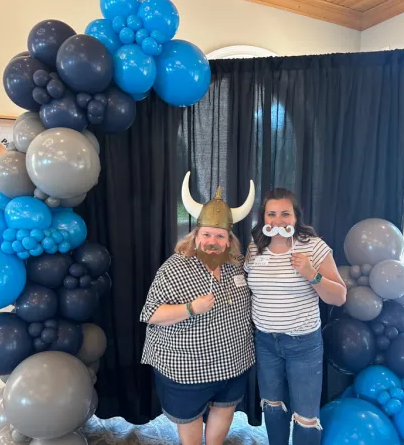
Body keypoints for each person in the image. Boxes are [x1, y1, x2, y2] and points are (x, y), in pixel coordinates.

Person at [140, 172, 256, 445]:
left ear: (228, 240)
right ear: (195, 236)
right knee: (189, 421)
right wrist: (191, 308)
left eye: (219, 235)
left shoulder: (236, 264)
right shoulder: (174, 267)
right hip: (187, 368)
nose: (212, 241)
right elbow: (152, 314)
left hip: (233, 363)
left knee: (224, 409)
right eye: (206, 234)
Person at [244, 188, 346, 445]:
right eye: (272, 214)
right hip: (265, 342)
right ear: (263, 218)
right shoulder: (255, 248)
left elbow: (339, 297)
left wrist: (312, 274)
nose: (278, 221)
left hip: (303, 345)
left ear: (296, 217)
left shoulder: (314, 247)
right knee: (273, 406)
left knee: (306, 415)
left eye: (285, 214)